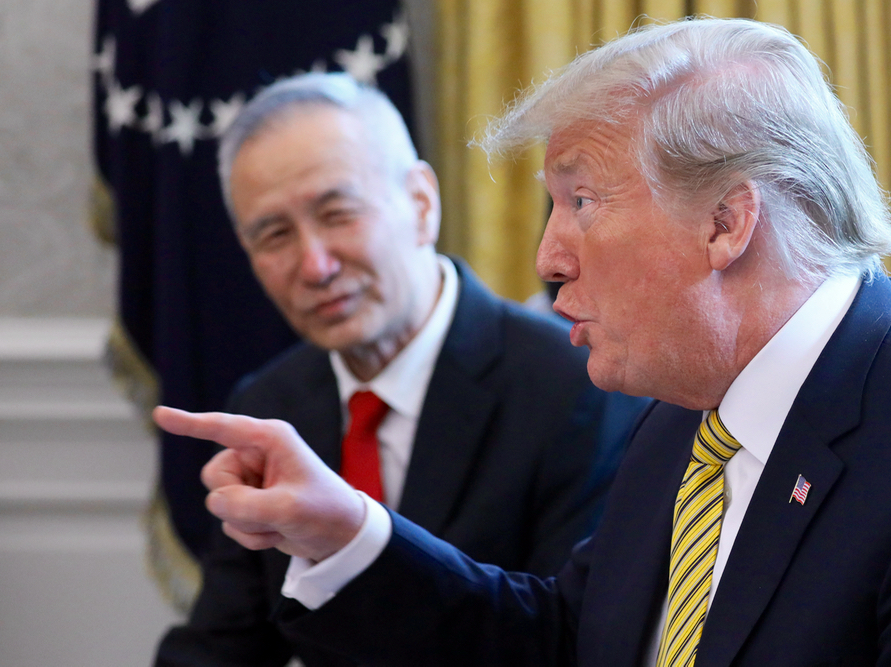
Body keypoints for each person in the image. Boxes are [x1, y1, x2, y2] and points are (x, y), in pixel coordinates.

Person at [154, 18, 891, 667]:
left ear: (726, 222)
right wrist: (345, 532)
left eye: (583, 202)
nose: (547, 258)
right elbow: (571, 638)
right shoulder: (688, 408)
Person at [153, 72, 649, 666]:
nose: (314, 265)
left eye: (337, 213)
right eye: (275, 234)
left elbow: (563, 645)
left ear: (420, 204)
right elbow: (216, 650)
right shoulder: (269, 403)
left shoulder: (578, 388)